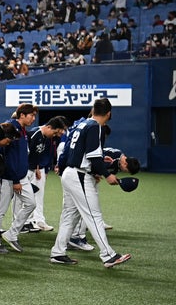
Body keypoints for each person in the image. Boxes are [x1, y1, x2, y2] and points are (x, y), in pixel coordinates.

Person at [50, 98, 132, 268]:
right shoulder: (95, 127)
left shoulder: (81, 124)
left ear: (92, 110)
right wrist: (106, 174)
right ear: (109, 113)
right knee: (93, 216)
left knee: (69, 216)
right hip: (79, 175)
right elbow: (93, 156)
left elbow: (68, 150)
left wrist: (63, 167)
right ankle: (108, 255)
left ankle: (58, 252)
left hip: (70, 173)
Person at [0, 104, 38, 253]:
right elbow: (3, 157)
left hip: (21, 176)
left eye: (34, 116)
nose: (33, 118)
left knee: (31, 204)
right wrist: (14, 180)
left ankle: (12, 233)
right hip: (8, 177)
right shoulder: (9, 128)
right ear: (22, 115)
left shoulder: (22, 130)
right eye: (31, 115)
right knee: (0, 210)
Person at [22, 116, 68, 232]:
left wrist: (41, 168)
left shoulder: (49, 136)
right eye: (59, 130)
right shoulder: (36, 134)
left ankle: (36, 220)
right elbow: (27, 153)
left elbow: (40, 153)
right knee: (24, 197)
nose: (59, 134)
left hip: (37, 168)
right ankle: (24, 223)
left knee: (37, 194)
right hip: (27, 169)